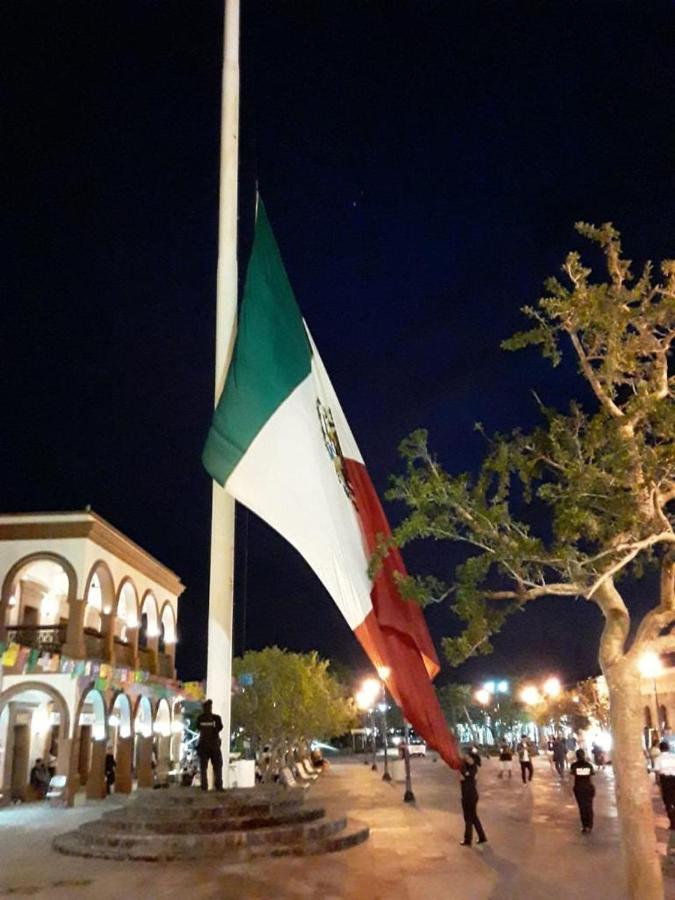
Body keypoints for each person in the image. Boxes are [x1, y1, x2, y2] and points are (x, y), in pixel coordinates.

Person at [458, 752, 487, 847]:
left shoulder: (473, 768)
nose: (466, 759)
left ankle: (468, 839)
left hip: (470, 796)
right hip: (467, 795)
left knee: (468, 818)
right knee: (473, 817)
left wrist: (463, 773)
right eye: (465, 757)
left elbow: (465, 775)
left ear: (472, 759)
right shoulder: (466, 766)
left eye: (468, 757)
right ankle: (482, 837)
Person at [196, 698, 224, 791]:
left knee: (203, 767)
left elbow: (198, 728)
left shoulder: (200, 718)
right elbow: (220, 727)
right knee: (217, 766)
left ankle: (204, 786)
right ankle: (218, 786)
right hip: (214, 745)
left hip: (203, 745)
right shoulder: (216, 718)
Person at [570, 748, 595, 833]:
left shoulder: (574, 766)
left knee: (582, 808)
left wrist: (571, 789)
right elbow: (591, 778)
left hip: (578, 788)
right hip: (588, 788)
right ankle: (590, 825)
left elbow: (572, 778)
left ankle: (584, 826)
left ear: (576, 756)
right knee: (589, 807)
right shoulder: (588, 765)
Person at [654, 740, 675, 829]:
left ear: (660, 749)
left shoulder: (658, 759)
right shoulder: (673, 757)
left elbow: (657, 772)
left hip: (665, 781)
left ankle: (673, 823)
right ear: (668, 748)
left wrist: (659, 784)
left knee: (667, 801)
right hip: (674, 779)